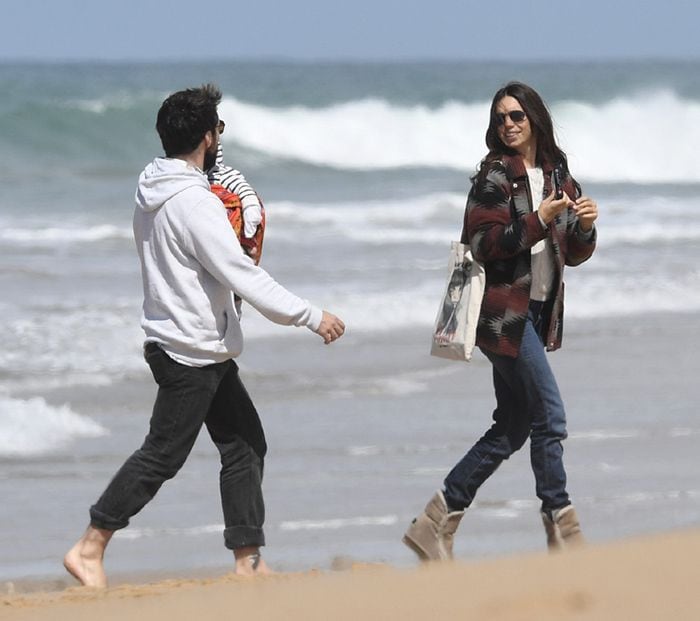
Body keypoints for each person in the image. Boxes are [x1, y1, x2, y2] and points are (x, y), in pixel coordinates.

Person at [64, 84, 345, 588]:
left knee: (245, 445)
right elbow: (241, 273)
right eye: (218, 128)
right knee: (162, 455)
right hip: (189, 350)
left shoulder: (150, 188)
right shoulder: (194, 203)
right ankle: (89, 547)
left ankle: (248, 563)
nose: (221, 137)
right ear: (206, 138)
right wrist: (309, 315)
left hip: (192, 343)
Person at [403, 81, 597, 561]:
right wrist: (537, 220)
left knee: (513, 426)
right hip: (500, 312)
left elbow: (570, 254)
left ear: (535, 118)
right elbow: (484, 246)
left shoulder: (559, 176)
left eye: (516, 116)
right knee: (549, 415)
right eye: (500, 118)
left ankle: (436, 520)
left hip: (536, 310)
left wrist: (586, 227)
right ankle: (562, 528)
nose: (508, 125)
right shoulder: (493, 177)